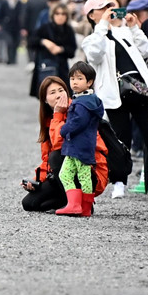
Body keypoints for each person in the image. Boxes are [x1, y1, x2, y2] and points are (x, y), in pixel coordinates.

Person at [82, 0, 148, 200]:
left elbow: (147, 51)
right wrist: (103, 25)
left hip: (138, 90)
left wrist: (133, 28)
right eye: (102, 8)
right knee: (120, 141)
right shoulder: (92, 39)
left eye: (109, 6)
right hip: (113, 94)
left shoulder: (124, 31)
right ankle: (119, 182)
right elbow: (94, 54)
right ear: (91, 15)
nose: (108, 10)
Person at [22, 76, 108, 213]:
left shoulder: (78, 111)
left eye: (61, 90)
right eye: (52, 92)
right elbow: (46, 158)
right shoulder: (48, 119)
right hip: (64, 172)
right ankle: (71, 202)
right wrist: (37, 180)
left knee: (56, 157)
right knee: (30, 203)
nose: (58, 95)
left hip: (88, 171)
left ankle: (83, 204)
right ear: (45, 100)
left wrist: (58, 114)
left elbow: (60, 145)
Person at [56, 62, 104, 217]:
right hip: (76, 146)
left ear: (89, 82)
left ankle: (84, 207)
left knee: (83, 176)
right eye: (72, 79)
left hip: (80, 146)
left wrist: (64, 130)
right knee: (65, 174)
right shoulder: (86, 99)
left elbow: (78, 122)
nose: (74, 82)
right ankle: (76, 205)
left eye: (79, 78)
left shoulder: (84, 102)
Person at [28, 3, 76, 98]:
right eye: (57, 14)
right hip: (45, 67)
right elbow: (31, 42)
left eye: (63, 14)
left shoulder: (68, 30)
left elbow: (72, 51)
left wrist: (61, 49)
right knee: (46, 96)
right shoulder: (45, 28)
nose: (60, 16)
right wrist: (44, 42)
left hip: (61, 69)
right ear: (53, 15)